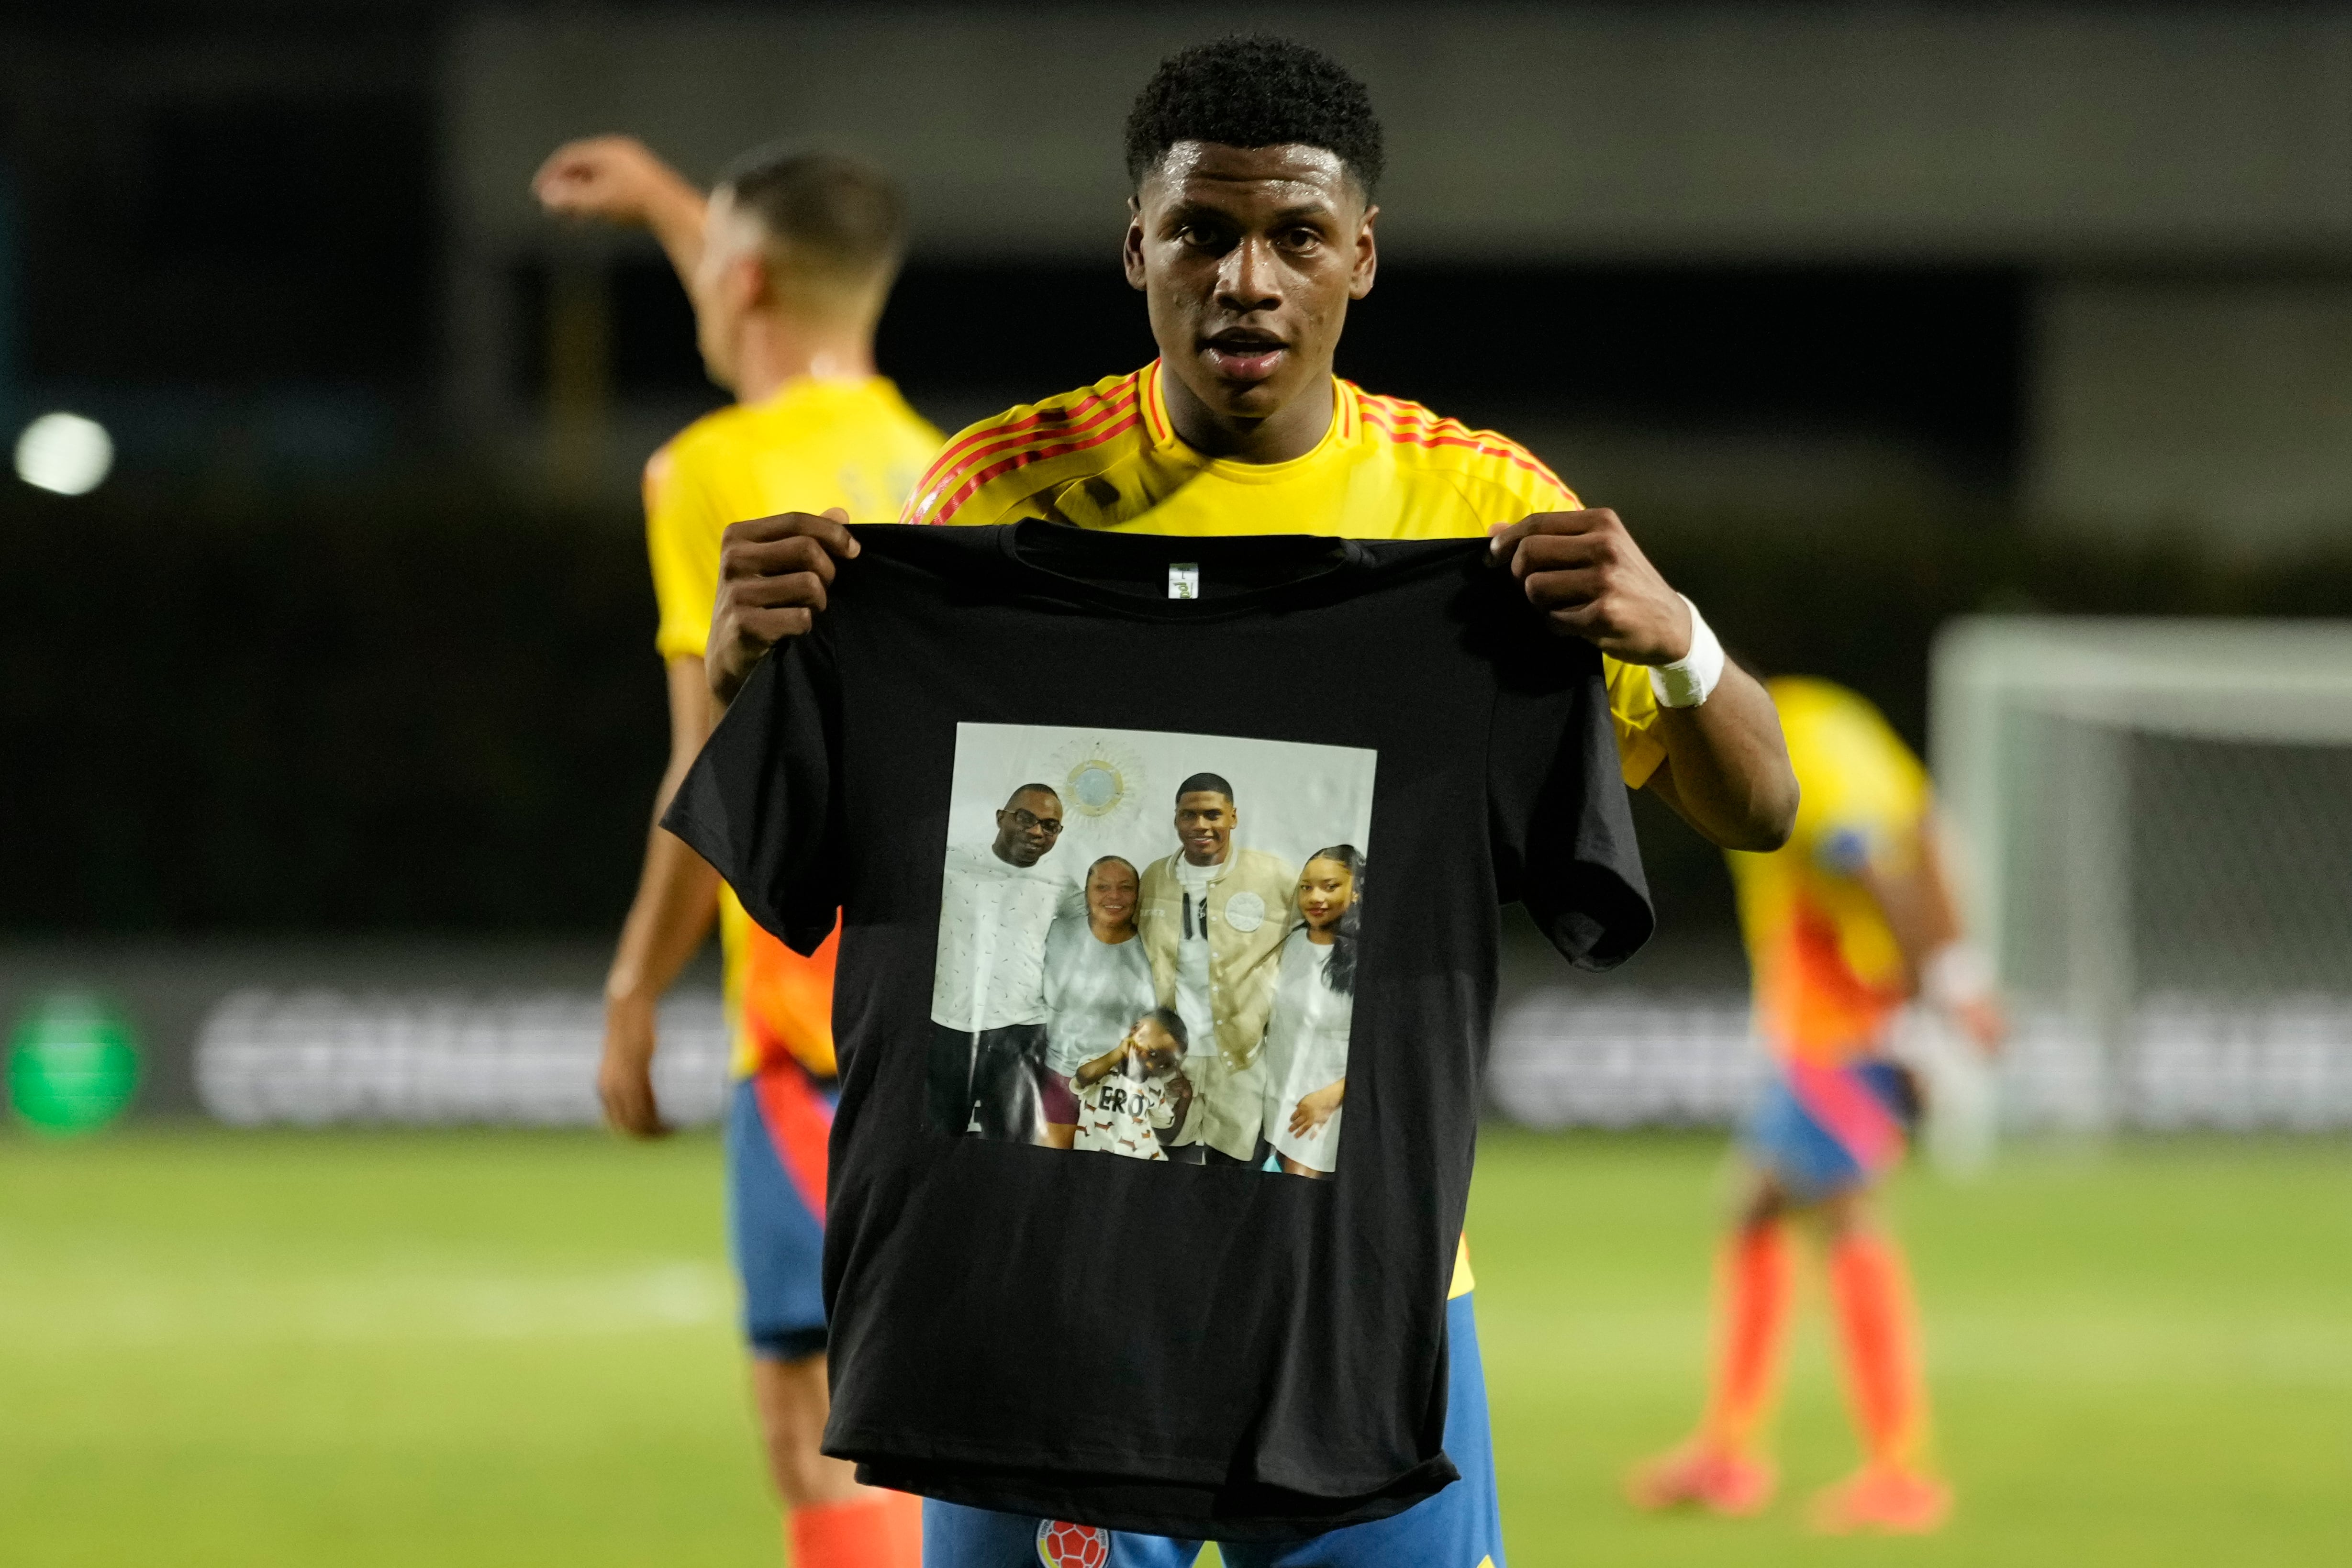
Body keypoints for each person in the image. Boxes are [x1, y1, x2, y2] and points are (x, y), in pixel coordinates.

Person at [692, 35, 1800, 1568]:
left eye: (1293, 236)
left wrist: (1679, 639)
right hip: (1048, 1293)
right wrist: (759, 668)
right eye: (1202, 232)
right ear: (1134, 246)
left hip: (1362, 1292)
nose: (1246, 279)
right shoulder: (983, 501)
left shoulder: (1482, 517)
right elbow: (826, 870)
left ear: (1360, 257)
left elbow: (1759, 808)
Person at [533, 134, 938, 1568]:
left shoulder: (705, 472)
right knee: (938, 1397)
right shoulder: (948, 473)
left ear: (743, 278)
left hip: (808, 1019)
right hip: (947, 1007)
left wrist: (635, 988)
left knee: (813, 1411)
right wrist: (661, 204)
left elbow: (709, 771)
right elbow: (765, 295)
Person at [1627, 676, 2004, 1534]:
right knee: (1759, 1211)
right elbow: (1925, 835)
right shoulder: (1842, 718)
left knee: (1844, 1215)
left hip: (1843, 1028)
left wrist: (1927, 1006)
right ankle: (1732, 1450)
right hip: (1848, 1022)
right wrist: (1960, 976)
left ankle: (1899, 1469)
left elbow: (1873, 860)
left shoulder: (1793, 745)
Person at [1136, 775, 1295, 1166]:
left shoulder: (1272, 875)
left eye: (1212, 814)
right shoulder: (1155, 876)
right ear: (1175, 820)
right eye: (1188, 815)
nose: (1200, 825)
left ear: (1233, 817)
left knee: (1239, 1170)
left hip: (1242, 1055)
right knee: (1168, 1162)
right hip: (1173, 1056)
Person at [932, 783, 1074, 1141]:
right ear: (1001, 817)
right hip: (946, 1027)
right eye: (1025, 817)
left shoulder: (1061, 884)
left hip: (1020, 1034)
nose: (1036, 831)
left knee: (1013, 1150)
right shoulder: (949, 862)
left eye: (1050, 825)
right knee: (932, 1145)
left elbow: (1097, 932)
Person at [1042, 856, 1156, 1149]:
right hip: (1060, 1074)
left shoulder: (1153, 948)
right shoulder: (1056, 932)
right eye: (1102, 887)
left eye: (1125, 888)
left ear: (1138, 893)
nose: (1114, 897)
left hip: (1120, 1088)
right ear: (1086, 892)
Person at [1263, 846, 1362, 1179]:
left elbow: (1390, 1046)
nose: (1314, 897)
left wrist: (1331, 1096)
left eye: (1330, 886)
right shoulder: (1287, 945)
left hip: (1327, 1119)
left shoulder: (1371, 962)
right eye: (1306, 887)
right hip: (1275, 1116)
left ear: (1356, 891)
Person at [1071, 1008, 1197, 1160]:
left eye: (1167, 1063)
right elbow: (1084, 1077)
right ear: (1134, 1032)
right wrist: (1119, 1052)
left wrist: (1185, 1099)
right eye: (1153, 1053)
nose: (1162, 1067)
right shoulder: (1099, 1066)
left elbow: (1166, 1136)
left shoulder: (1154, 1088)